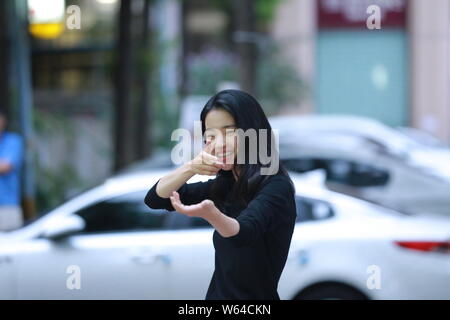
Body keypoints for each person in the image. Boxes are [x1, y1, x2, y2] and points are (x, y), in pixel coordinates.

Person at [144, 89, 297, 300]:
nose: (220, 143)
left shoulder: (276, 186)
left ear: (253, 132)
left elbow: (243, 232)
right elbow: (155, 198)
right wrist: (191, 167)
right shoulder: (225, 185)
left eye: (229, 132)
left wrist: (211, 214)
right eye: (211, 136)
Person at [0, 107, 24, 231]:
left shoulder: (13, 141)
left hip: (7, 207)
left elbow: (5, 167)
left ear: (4, 121)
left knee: (10, 247)